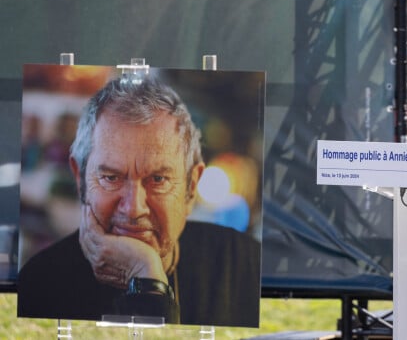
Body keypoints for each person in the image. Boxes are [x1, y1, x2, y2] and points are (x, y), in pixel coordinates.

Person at [18, 77, 261, 327]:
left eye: (158, 179)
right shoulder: (40, 282)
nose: (134, 209)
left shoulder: (246, 264)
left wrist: (146, 277)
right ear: (80, 180)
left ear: (191, 187)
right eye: (111, 178)